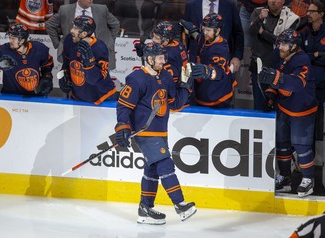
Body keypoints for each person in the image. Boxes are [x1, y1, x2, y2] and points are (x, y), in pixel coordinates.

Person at [114, 42, 196, 225]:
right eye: (160, 58)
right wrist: (122, 126)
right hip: (144, 132)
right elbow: (124, 106)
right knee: (165, 164)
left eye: (164, 57)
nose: (163, 61)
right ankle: (180, 204)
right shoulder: (136, 79)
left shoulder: (165, 76)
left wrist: (186, 86)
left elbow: (174, 104)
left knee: (152, 170)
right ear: (149, 59)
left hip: (161, 131)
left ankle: (145, 209)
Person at [258, 28, 318, 197]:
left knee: (301, 145)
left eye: (284, 44)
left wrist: (276, 78)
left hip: (302, 109)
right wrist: (271, 93)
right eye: (280, 43)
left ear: (294, 46)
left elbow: (297, 83)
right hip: (284, 106)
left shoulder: (303, 59)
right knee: (282, 143)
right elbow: (277, 77)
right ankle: (285, 178)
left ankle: (308, 179)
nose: (280, 47)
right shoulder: (281, 56)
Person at [249, 0, 299, 110]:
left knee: (280, 108)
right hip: (259, 67)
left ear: (283, 1)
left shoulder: (290, 18)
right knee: (259, 106)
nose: (273, 1)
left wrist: (263, 33)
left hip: (281, 69)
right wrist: (260, 19)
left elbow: (283, 42)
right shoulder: (258, 12)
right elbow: (251, 32)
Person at [180, 13, 236, 108]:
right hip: (202, 91)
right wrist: (192, 30)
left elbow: (219, 71)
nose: (205, 32)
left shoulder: (220, 49)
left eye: (208, 30)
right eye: (204, 28)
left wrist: (208, 71)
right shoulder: (207, 37)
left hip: (217, 97)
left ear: (218, 31)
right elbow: (199, 37)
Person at [58, 15, 116, 105]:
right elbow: (66, 62)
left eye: (75, 28)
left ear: (84, 34)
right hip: (78, 96)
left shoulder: (100, 47)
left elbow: (95, 80)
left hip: (101, 97)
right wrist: (64, 76)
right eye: (73, 27)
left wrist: (89, 64)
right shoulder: (69, 40)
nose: (71, 30)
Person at [45, 0, 120, 69]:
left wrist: (110, 41)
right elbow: (49, 25)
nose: (90, 0)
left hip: (97, 49)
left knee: (100, 79)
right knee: (74, 78)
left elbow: (115, 24)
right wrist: (58, 44)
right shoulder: (65, 10)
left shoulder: (102, 9)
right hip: (74, 49)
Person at [0, 23, 54, 96]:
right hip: (9, 96)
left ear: (22, 40)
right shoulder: (4, 50)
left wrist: (47, 77)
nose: (10, 40)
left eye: (13, 38)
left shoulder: (39, 48)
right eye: (10, 37)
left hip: (34, 96)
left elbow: (48, 64)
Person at [183, 0, 244, 73]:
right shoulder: (191, 5)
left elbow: (238, 33)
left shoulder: (230, 5)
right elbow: (183, 33)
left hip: (222, 61)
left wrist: (237, 57)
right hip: (195, 60)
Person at [300, 0, 325, 144]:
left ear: (321, 14)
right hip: (307, 83)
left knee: (318, 118)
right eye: (308, 11)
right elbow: (301, 57)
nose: (308, 14)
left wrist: (314, 56)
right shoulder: (304, 31)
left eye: (312, 12)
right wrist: (316, 55)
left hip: (322, 84)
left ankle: (318, 155)